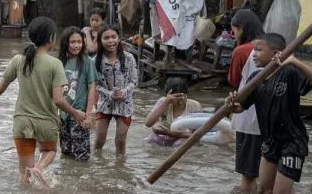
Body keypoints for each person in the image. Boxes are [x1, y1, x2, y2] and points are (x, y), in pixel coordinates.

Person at [230, 34, 312, 194]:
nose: (254, 54)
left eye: (259, 49)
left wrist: (294, 62)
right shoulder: (256, 78)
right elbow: (241, 108)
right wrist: (233, 104)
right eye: (254, 49)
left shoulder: (290, 73)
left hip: (292, 141)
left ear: (276, 53)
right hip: (270, 141)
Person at [0, 17, 87, 186]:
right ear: (51, 38)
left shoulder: (18, 60)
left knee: (23, 173)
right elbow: (59, 100)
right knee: (50, 150)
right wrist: (76, 113)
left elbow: (2, 86)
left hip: (22, 121)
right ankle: (39, 167)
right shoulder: (55, 64)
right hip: (46, 122)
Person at [228, 8, 265, 194]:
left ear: (240, 28)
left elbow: (234, 81)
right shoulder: (272, 47)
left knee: (247, 175)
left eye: (233, 30)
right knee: (265, 172)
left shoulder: (242, 51)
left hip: (248, 117)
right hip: (270, 118)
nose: (232, 35)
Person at [94, 25, 138, 158]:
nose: (110, 41)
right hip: (104, 105)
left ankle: (120, 167)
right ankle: (97, 164)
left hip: (125, 105)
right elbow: (95, 85)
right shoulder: (95, 61)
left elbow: (134, 81)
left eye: (113, 37)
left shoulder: (129, 58)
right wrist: (109, 94)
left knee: (120, 140)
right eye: (106, 38)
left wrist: (125, 91)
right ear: (100, 41)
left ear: (119, 39)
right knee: (100, 140)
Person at [57, 25, 98, 161]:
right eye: (72, 42)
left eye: (79, 42)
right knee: (65, 152)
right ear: (65, 43)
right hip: (63, 114)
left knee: (81, 156)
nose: (76, 45)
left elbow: (92, 87)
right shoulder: (59, 63)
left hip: (80, 114)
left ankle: (83, 180)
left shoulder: (87, 62)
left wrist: (89, 113)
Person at [144, 76, 203, 147]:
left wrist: (169, 133)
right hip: (165, 136)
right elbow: (148, 123)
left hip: (183, 137)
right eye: (176, 100)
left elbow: (198, 136)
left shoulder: (194, 106)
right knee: (150, 140)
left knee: (179, 145)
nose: (180, 103)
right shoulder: (164, 102)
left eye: (183, 99)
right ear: (169, 96)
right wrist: (166, 102)